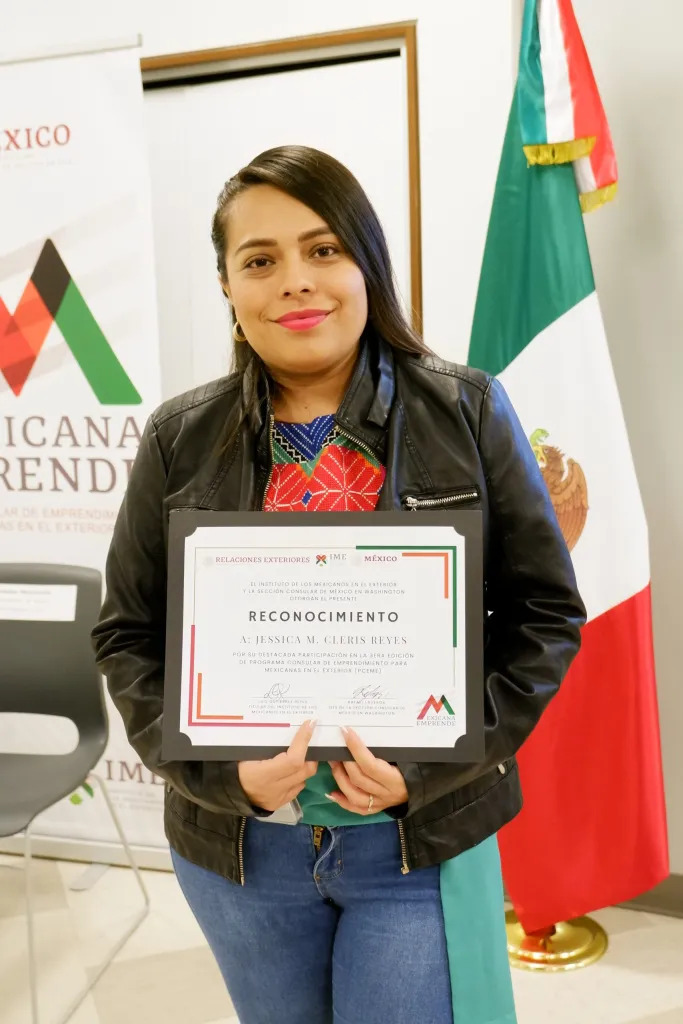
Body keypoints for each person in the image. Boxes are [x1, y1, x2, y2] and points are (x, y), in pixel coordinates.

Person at [91, 145, 586, 1024]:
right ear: (227, 287)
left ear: (367, 263)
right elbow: (127, 634)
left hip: (411, 844)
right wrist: (217, 774)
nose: (294, 282)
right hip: (241, 854)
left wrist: (429, 766)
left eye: (323, 250)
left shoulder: (467, 410)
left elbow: (543, 616)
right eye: (259, 260)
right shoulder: (177, 437)